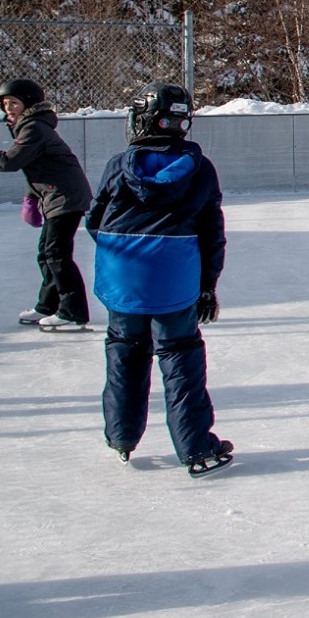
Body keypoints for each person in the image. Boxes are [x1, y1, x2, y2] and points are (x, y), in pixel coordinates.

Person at [86, 83, 233, 476]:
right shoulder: (200, 168)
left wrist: (127, 253)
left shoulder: (119, 165)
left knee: (124, 352)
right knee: (180, 357)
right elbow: (212, 234)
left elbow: (94, 221)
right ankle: (196, 447)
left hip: (123, 279)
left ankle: (121, 436)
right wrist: (207, 286)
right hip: (174, 279)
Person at [0, 77, 94, 331]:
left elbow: (9, 162)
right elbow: (37, 167)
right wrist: (31, 197)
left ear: (28, 104)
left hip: (65, 197)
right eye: (5, 103)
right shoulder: (31, 126)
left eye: (14, 103)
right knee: (46, 253)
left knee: (57, 255)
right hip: (56, 196)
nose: (8, 108)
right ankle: (48, 306)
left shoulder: (34, 128)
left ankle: (73, 313)